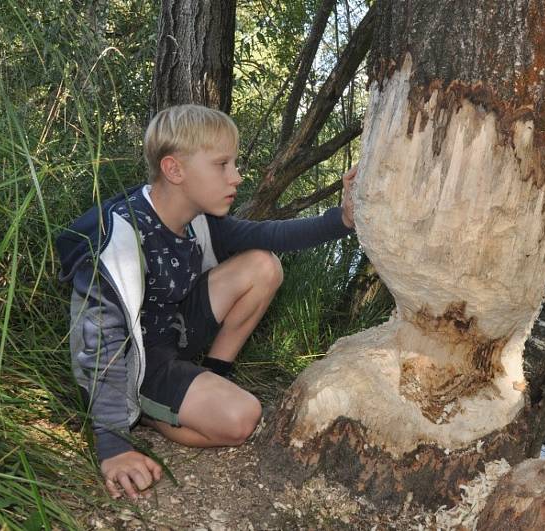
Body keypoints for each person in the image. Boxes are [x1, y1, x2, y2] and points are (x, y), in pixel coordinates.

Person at [55, 103, 357, 500]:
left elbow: (269, 236)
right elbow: (100, 348)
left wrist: (343, 220)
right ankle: (144, 411)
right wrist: (113, 444)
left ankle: (214, 375)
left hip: (174, 331)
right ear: (174, 170)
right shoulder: (117, 240)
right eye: (222, 164)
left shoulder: (199, 218)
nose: (236, 176)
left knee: (264, 266)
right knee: (241, 419)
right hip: (136, 363)